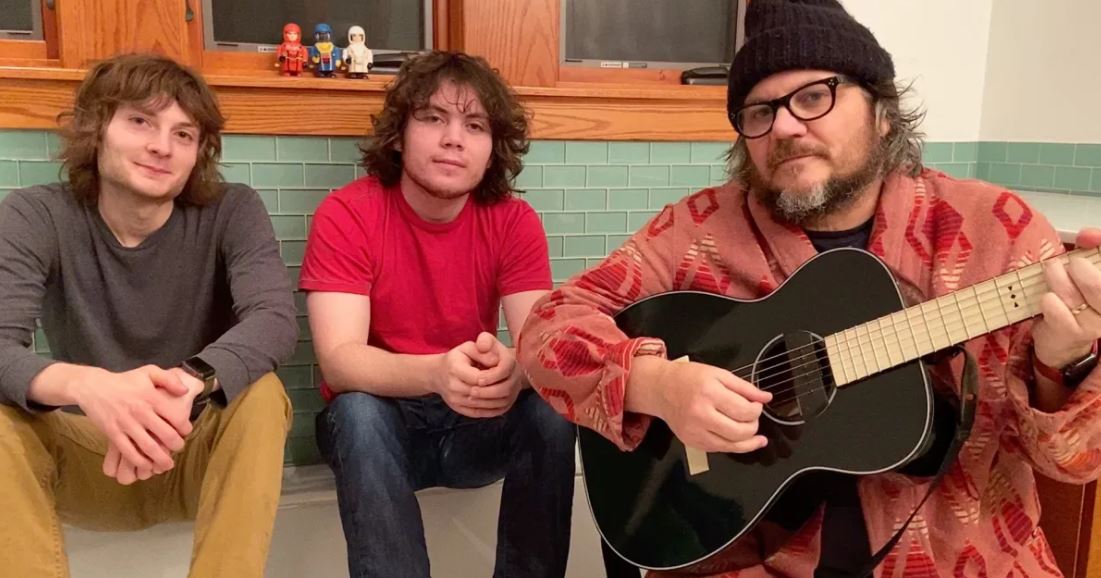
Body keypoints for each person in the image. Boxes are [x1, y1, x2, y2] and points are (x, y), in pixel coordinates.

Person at [517, 0, 1101, 576]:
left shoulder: (998, 228)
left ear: (882, 111)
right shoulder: (694, 230)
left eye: (814, 96)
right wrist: (658, 385)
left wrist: (1062, 368)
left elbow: (1074, 465)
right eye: (758, 111)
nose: (787, 127)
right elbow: (548, 327)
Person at [0, 53, 298, 578]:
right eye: (141, 121)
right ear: (97, 129)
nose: (162, 146)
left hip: (199, 457)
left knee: (263, 395)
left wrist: (191, 384)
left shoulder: (233, 209)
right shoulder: (34, 215)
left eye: (184, 135)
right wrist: (92, 388)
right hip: (93, 460)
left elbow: (274, 318)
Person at [300, 51, 576, 578]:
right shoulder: (347, 214)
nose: (454, 139)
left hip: (475, 428)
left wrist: (514, 369)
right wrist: (436, 372)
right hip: (383, 431)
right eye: (433, 118)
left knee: (552, 407)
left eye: (474, 125)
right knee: (356, 410)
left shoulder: (513, 221)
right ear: (399, 135)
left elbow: (542, 345)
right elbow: (339, 362)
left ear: (492, 147)